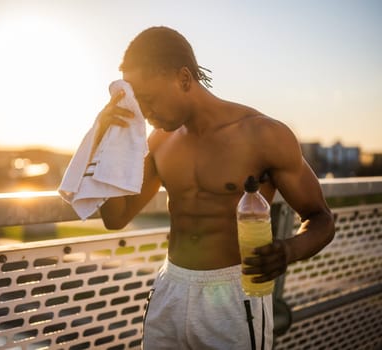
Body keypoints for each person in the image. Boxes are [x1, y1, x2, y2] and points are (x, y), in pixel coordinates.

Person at [94, 26, 335, 349]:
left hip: (236, 296)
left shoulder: (264, 135)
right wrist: (105, 140)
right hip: (171, 288)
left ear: (183, 79)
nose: (146, 115)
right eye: (140, 105)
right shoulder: (159, 141)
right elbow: (115, 217)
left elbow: (321, 219)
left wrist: (288, 250)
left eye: (149, 101)